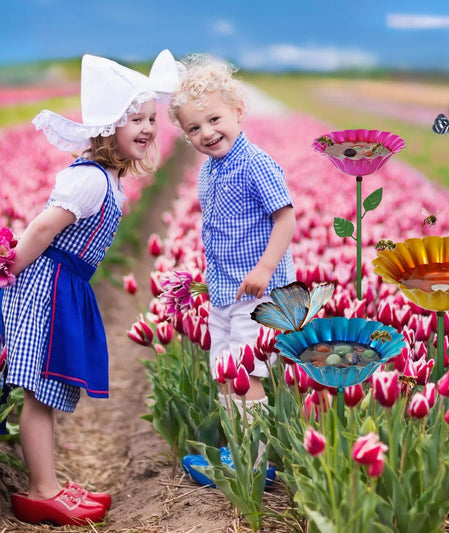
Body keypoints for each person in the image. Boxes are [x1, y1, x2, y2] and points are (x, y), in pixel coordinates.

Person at [0, 49, 182, 526]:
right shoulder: (88, 182)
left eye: (150, 118)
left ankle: (51, 482)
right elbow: (41, 231)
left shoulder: (108, 180)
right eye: (134, 119)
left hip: (65, 286)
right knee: (40, 394)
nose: (147, 127)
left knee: (49, 393)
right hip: (45, 286)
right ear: (107, 128)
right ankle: (42, 490)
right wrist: (7, 272)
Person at [167, 58, 296, 444]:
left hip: (260, 293)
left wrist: (264, 269)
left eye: (214, 119)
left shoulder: (255, 164)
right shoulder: (209, 169)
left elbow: (285, 219)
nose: (206, 133)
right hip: (224, 292)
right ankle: (237, 452)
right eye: (194, 127)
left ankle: (255, 460)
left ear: (238, 111)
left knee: (246, 372)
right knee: (224, 372)